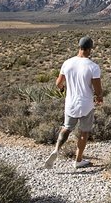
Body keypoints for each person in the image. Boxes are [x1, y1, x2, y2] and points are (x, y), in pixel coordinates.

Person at [44, 36, 103, 169]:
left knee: (67, 127)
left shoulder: (67, 63)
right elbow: (97, 88)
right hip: (86, 104)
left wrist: (63, 89)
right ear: (89, 49)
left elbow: (58, 83)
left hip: (70, 103)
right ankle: (78, 160)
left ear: (79, 47)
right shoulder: (93, 66)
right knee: (84, 132)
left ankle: (56, 149)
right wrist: (99, 97)